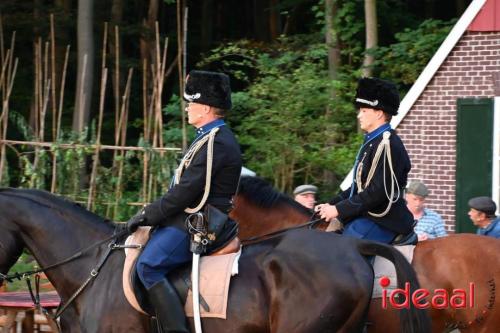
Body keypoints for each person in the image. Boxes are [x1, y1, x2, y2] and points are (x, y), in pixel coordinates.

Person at [127, 70, 242, 333]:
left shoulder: (217, 141)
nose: (187, 108)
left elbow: (186, 192)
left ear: (205, 108)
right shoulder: (207, 136)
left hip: (202, 222)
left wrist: (148, 214)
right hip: (191, 216)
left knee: (148, 266)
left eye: (191, 103)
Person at [315, 77, 414, 243]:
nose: (359, 115)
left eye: (364, 111)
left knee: (341, 252)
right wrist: (330, 205)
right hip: (366, 215)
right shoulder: (373, 142)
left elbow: (377, 192)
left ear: (379, 113)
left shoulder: (388, 144)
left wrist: (338, 209)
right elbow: (357, 187)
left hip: (384, 220)